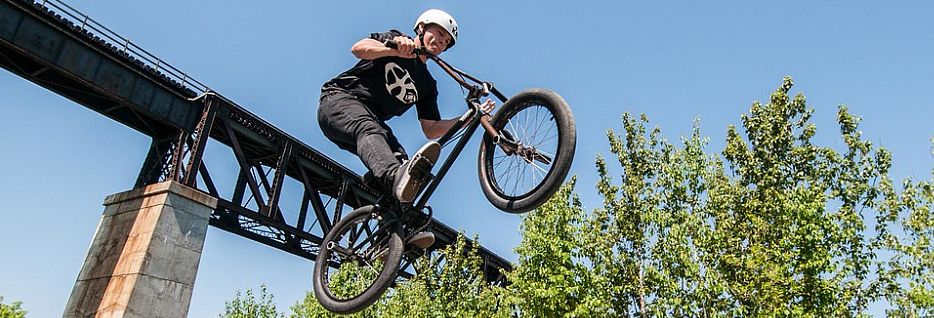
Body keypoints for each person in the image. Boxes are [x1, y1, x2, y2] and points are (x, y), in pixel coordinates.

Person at [317, 10, 494, 248]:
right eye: (438, 34)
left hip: (373, 122)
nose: (440, 42)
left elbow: (430, 129)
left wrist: (466, 118)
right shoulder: (395, 38)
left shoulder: (428, 85)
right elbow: (359, 48)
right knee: (372, 134)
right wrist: (393, 48)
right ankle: (390, 176)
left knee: (407, 167)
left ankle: (389, 236)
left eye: (445, 42)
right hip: (339, 101)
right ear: (421, 28)